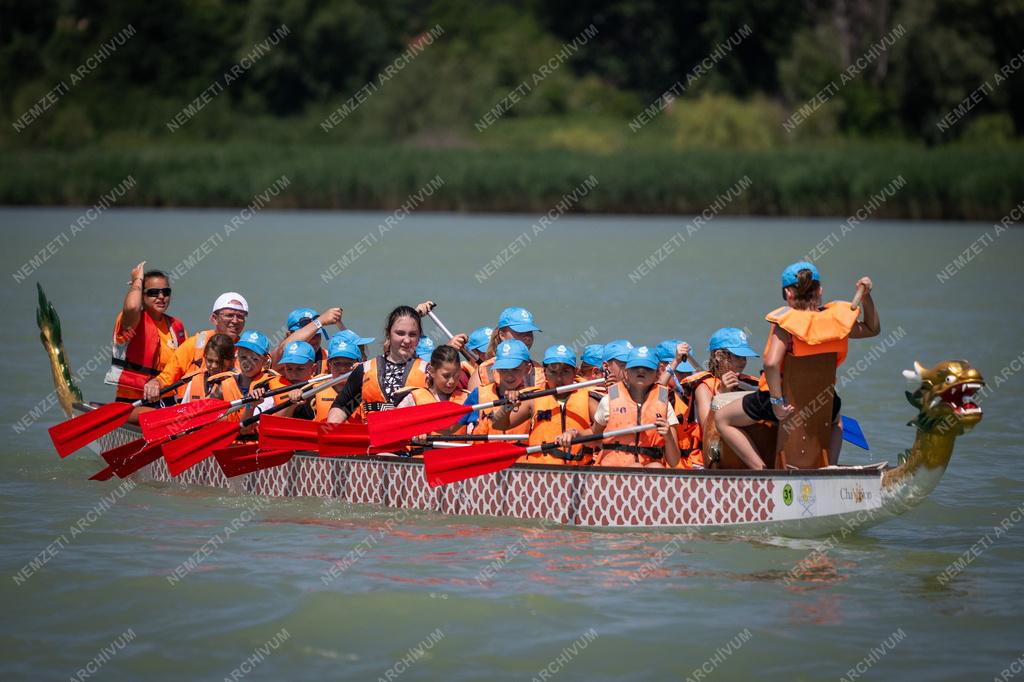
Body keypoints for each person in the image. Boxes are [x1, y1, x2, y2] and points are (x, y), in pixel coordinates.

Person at [715, 262, 879, 468]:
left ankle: (762, 472)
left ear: (788, 294)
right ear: (820, 291)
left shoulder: (786, 325)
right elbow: (872, 328)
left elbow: (772, 364)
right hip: (824, 400)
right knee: (837, 420)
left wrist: (776, 402)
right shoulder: (837, 322)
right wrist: (866, 297)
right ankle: (831, 467)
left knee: (722, 418)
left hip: (784, 402)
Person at [558, 346, 680, 468]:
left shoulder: (664, 403)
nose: (641, 371)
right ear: (626, 372)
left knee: (656, 467)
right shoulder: (609, 400)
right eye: (635, 367)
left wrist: (668, 437)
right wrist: (574, 432)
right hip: (614, 475)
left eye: (647, 368)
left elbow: (674, 462)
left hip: (648, 477)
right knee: (635, 467)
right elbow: (593, 436)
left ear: (656, 374)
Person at [491, 344, 594, 465]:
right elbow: (498, 425)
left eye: (565, 372)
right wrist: (507, 406)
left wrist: (578, 433)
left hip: (580, 473)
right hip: (543, 474)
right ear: (545, 372)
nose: (559, 379)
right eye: (553, 372)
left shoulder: (589, 398)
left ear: (575, 372)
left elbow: (606, 430)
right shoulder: (533, 398)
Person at [326, 306, 429, 423]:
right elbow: (342, 406)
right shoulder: (364, 370)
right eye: (400, 333)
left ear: (419, 336)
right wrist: (330, 429)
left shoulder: (429, 373)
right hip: (372, 439)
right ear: (388, 333)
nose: (406, 340)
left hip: (412, 439)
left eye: (412, 334)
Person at [105, 261, 187, 409]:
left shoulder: (177, 326)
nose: (161, 296)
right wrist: (137, 280)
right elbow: (132, 306)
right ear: (142, 296)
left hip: (169, 403)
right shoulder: (131, 322)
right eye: (153, 292)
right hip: (133, 404)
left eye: (166, 292)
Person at [144, 292, 248, 401]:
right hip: (190, 410)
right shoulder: (194, 344)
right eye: (229, 315)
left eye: (240, 317)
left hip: (233, 411)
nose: (235, 321)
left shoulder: (249, 351)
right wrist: (155, 383)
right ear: (214, 318)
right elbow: (165, 378)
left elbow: (263, 379)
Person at [684, 328, 760, 435]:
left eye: (745, 357)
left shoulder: (751, 384)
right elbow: (708, 430)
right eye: (738, 356)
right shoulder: (703, 387)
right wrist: (722, 394)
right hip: (715, 449)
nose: (743, 362)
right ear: (719, 356)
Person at [396, 345, 470, 450]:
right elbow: (397, 428)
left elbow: (475, 430)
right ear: (431, 371)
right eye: (446, 376)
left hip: (457, 458)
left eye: (456, 375)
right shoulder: (412, 399)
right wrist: (414, 430)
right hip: (422, 461)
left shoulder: (467, 399)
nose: (452, 381)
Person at [465, 340, 538, 437]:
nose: (509, 376)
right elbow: (453, 428)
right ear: (496, 369)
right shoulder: (478, 394)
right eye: (504, 369)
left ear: (527, 369)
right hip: (486, 451)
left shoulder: (534, 398)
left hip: (521, 451)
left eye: (515, 369)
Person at [467, 307, 544, 391]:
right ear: (502, 335)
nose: (526, 337)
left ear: (527, 369)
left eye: (529, 332)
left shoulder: (538, 370)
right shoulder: (484, 372)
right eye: (520, 332)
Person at [180, 333, 243, 411]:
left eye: (218, 362)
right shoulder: (194, 382)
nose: (213, 366)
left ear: (231, 361)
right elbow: (183, 412)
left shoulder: (240, 384)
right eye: (210, 361)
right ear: (205, 357)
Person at [271, 307, 341, 373]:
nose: (314, 340)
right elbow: (283, 349)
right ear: (289, 335)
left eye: (317, 335)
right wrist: (320, 321)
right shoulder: (278, 357)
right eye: (309, 336)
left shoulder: (329, 357)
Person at [313, 335, 361, 421]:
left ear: (357, 365)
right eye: (337, 364)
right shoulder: (314, 391)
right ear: (329, 365)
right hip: (326, 433)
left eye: (348, 364)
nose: (342, 369)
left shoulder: (367, 390)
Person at [235, 330, 278, 399]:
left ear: (265, 361)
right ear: (237, 356)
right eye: (243, 357)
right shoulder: (224, 384)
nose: (248, 363)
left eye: (255, 359)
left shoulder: (270, 385)